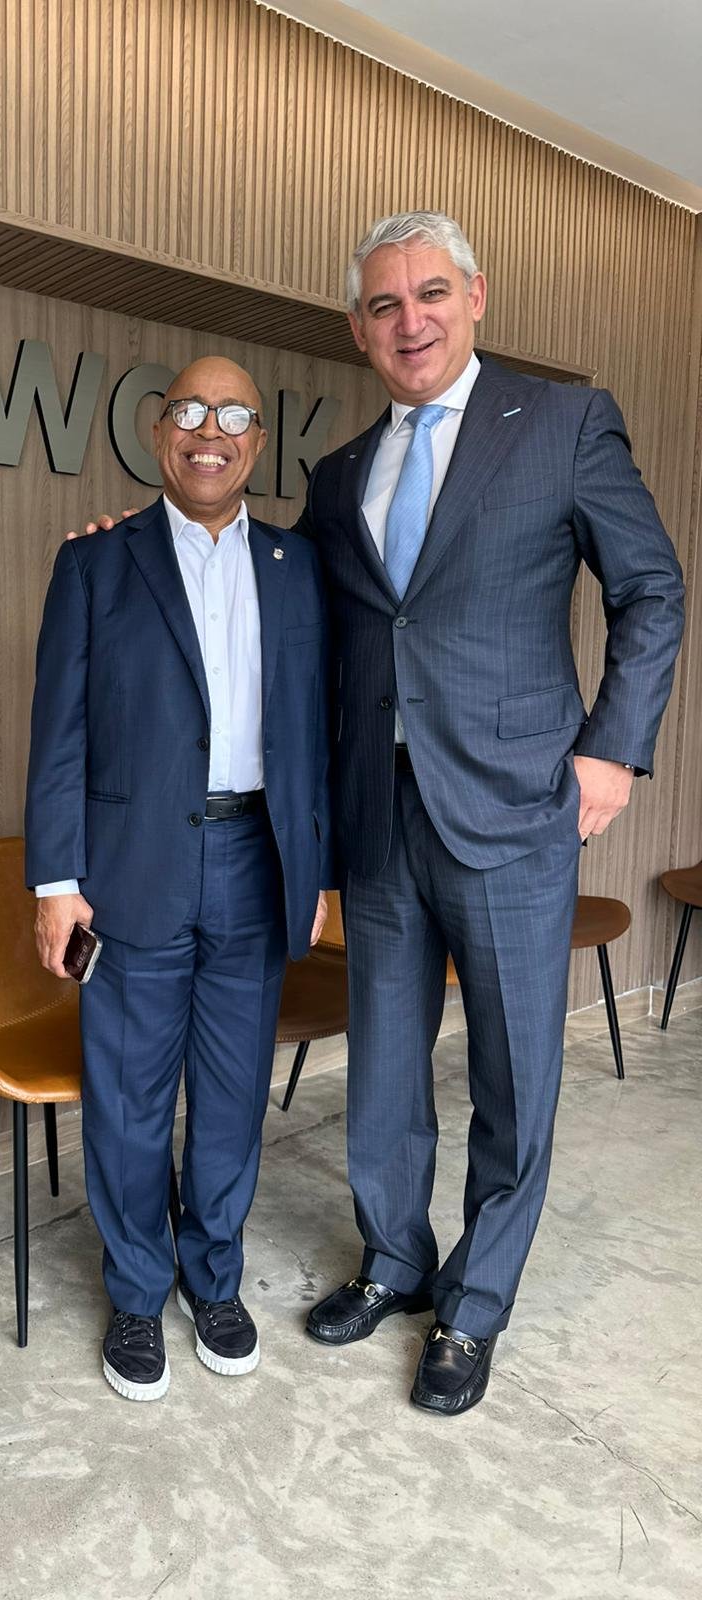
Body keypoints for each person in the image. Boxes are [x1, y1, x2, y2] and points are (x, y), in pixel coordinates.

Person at [298, 211, 684, 1415]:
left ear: (475, 296)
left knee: (514, 1073)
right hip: (380, 812)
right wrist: (151, 545)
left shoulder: (563, 423)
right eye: (383, 304)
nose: (408, 320)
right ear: (359, 330)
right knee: (383, 1067)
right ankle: (395, 1257)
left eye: (430, 294)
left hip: (516, 806)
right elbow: (298, 613)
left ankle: (474, 1303)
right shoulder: (339, 475)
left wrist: (612, 749)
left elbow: (651, 589)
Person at [25, 357, 333, 1401]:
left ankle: (214, 1282)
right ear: (161, 433)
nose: (212, 431)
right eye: (191, 411)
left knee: (236, 1091)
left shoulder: (298, 564)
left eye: (234, 414)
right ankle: (134, 1292)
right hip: (133, 867)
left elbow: (317, 731)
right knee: (128, 1093)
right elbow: (58, 737)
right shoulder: (95, 563)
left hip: (257, 858)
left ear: (257, 442)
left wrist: (315, 871)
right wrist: (55, 883)